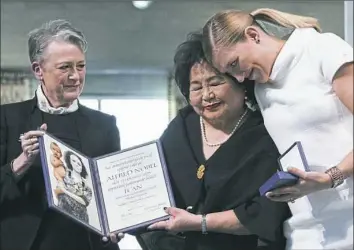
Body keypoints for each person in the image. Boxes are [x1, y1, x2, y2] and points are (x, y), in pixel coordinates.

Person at [201, 8, 353, 250]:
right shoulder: (261, 90)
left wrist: (331, 177)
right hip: (307, 232)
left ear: (253, 35)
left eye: (234, 64)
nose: (239, 78)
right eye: (229, 73)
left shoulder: (320, 48)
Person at [131, 31, 290, 250]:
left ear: (241, 83)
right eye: (196, 87)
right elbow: (151, 184)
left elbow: (266, 214)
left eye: (215, 83)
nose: (206, 95)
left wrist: (201, 223)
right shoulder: (183, 125)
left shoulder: (265, 135)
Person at [0, 19, 121, 250]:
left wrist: (119, 221)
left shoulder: (105, 125)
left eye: (81, 66)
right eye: (65, 67)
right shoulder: (6, 118)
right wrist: (20, 163)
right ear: (38, 70)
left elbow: (112, 194)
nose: (76, 76)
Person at [57, 150, 93, 223]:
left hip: (81, 220)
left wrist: (65, 191)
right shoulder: (64, 178)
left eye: (79, 162)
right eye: (74, 161)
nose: (77, 164)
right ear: (70, 163)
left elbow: (84, 201)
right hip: (61, 218)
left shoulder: (87, 187)